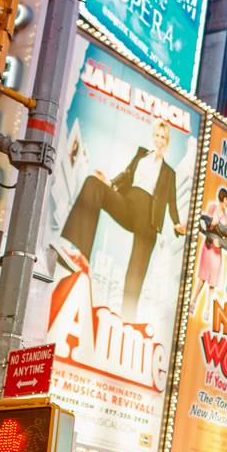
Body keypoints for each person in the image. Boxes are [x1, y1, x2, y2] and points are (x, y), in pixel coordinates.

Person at [61, 119, 186, 318]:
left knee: (135, 272)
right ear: (153, 137)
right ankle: (80, 256)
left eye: (163, 138)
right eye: (157, 136)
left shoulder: (169, 173)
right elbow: (127, 174)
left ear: (167, 141)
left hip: (149, 219)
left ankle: (128, 318)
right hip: (128, 203)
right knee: (93, 183)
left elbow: (171, 202)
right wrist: (108, 182)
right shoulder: (141, 155)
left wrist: (177, 223)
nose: (160, 140)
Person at [192, 185, 227, 314]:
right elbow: (203, 225)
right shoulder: (212, 207)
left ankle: (208, 309)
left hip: (217, 250)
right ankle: (193, 302)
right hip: (208, 247)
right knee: (202, 277)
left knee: (212, 282)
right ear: (223, 199)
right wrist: (212, 225)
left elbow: (226, 234)